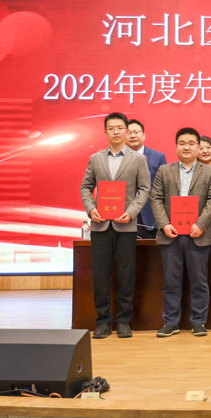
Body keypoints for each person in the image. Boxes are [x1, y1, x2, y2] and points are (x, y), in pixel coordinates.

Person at [79, 112, 151, 339]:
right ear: (105, 132)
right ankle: (102, 322)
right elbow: (86, 187)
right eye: (112, 128)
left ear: (127, 131)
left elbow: (145, 189)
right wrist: (91, 209)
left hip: (126, 226)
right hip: (100, 225)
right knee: (100, 275)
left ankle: (123, 321)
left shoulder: (138, 159)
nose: (116, 132)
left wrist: (131, 213)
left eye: (120, 128)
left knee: (126, 274)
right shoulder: (95, 158)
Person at [151, 128, 211, 338]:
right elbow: (156, 199)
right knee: (171, 281)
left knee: (199, 281)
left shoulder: (210, 172)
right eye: (182, 143)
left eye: (191, 143)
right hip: (170, 235)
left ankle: (198, 321)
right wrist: (164, 224)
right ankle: (171, 322)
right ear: (176, 147)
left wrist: (201, 224)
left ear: (198, 147)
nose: (187, 147)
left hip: (198, 234)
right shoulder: (164, 170)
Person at [126, 119, 167, 239]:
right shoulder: (118, 157)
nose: (133, 135)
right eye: (129, 133)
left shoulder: (158, 157)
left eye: (136, 132)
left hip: (150, 217)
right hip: (124, 215)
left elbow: (165, 188)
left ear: (143, 135)